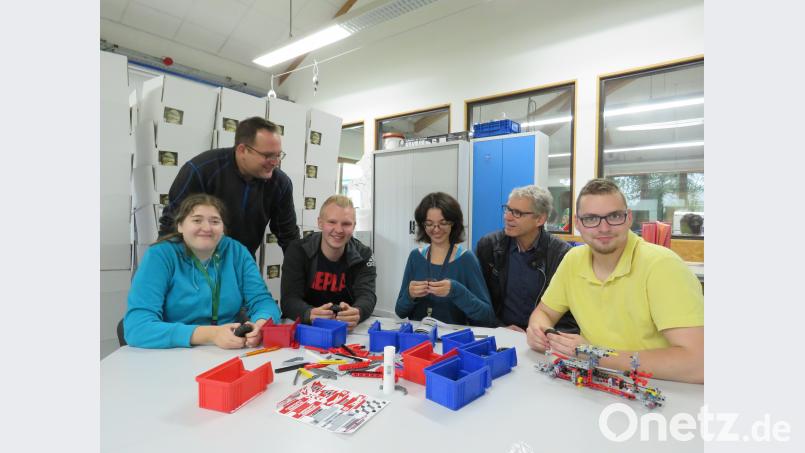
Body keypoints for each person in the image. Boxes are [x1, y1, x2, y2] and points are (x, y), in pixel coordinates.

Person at [526, 179, 704, 383]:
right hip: (594, 384)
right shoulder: (573, 260)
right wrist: (540, 332)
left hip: (661, 389)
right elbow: (544, 313)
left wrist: (595, 355)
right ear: (577, 223)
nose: (603, 228)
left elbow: (698, 364)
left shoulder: (662, 266)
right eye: (591, 218)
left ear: (628, 218)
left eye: (614, 216)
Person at [125, 194, 281, 349]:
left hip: (229, 350)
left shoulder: (236, 252)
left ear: (223, 229)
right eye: (197, 220)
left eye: (215, 221)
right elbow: (137, 327)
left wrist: (260, 326)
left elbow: (263, 301)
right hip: (173, 352)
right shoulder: (160, 256)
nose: (206, 228)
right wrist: (210, 334)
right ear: (180, 225)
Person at [158, 117, 299, 257]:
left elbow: (288, 235)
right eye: (268, 155)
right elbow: (172, 224)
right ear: (242, 150)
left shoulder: (280, 184)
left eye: (278, 155)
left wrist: (300, 273)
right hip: (197, 263)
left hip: (242, 263)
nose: (275, 162)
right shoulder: (201, 170)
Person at [475, 185, 577, 332]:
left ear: (540, 219)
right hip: (500, 333)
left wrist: (541, 333)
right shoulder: (489, 246)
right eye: (508, 209)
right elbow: (479, 300)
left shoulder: (561, 254)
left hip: (543, 338)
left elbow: (570, 314)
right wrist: (500, 327)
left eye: (517, 213)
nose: (507, 217)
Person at [396, 192, 496, 326]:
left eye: (443, 223)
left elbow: (487, 317)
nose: (436, 229)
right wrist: (410, 295)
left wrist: (456, 291)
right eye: (429, 224)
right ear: (423, 225)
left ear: (453, 223)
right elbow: (400, 312)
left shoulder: (466, 259)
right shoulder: (415, 257)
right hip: (419, 338)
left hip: (452, 341)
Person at [280, 195, 376, 330]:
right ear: (320, 223)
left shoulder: (364, 255)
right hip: (307, 329)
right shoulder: (298, 250)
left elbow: (367, 295)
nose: (339, 230)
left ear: (354, 226)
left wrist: (357, 312)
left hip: (346, 330)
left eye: (346, 224)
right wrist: (308, 314)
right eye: (332, 222)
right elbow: (289, 300)